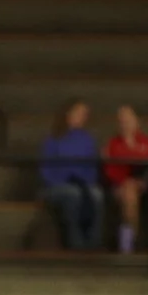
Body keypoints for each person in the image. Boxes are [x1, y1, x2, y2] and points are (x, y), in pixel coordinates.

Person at [39, 100, 103, 250]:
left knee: (97, 194)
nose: (82, 117)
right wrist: (65, 180)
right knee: (73, 194)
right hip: (56, 186)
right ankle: (76, 243)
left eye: (85, 114)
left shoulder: (87, 139)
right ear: (68, 114)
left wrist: (84, 182)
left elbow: (92, 169)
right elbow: (46, 170)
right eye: (79, 113)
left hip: (83, 185)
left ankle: (93, 243)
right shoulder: (53, 139)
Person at [103, 104, 148, 254]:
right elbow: (110, 170)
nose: (125, 123)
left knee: (133, 191)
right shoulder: (113, 144)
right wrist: (125, 182)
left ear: (137, 121)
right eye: (121, 120)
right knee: (129, 194)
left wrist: (141, 181)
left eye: (128, 119)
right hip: (119, 186)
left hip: (144, 185)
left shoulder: (147, 143)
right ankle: (131, 242)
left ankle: (128, 241)